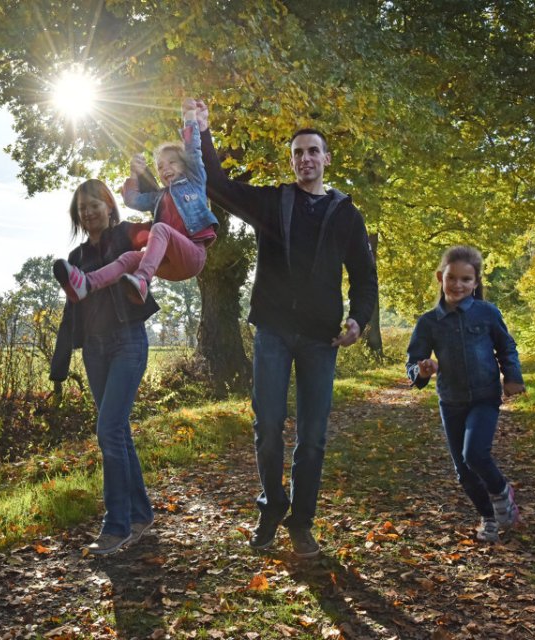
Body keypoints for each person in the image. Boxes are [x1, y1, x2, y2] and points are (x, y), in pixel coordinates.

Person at [195, 99, 379, 558]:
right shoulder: (273, 202)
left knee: (313, 436)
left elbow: (365, 274)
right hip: (273, 331)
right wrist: (202, 131)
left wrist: (359, 318)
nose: (305, 159)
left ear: (326, 159)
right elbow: (217, 185)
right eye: (298, 153)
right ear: (291, 160)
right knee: (268, 425)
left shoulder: (345, 214)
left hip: (321, 337)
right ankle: (272, 506)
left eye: (313, 151)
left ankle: (301, 522)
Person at [50, 179, 158, 555]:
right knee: (118, 432)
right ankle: (141, 513)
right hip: (94, 350)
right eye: (81, 207)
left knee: (109, 429)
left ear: (109, 206)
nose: (88, 211)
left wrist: (146, 182)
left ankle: (117, 526)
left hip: (128, 340)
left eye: (94, 204)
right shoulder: (76, 258)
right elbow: (71, 310)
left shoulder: (127, 235)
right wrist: (60, 362)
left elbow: (159, 230)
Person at [405, 245, 524, 543]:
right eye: (452, 278)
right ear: (440, 277)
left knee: (475, 454)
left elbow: (506, 347)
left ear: (476, 282)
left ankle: (500, 491)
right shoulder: (429, 322)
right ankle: (489, 517)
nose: (458, 285)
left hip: (485, 396)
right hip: (452, 401)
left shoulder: (487, 313)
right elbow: (413, 362)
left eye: (466, 280)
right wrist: (422, 370)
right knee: (463, 471)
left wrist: (512, 377)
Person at [53, 98, 218, 306]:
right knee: (131, 257)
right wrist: (134, 174)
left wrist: (189, 117)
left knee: (160, 229)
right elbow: (132, 200)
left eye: (172, 163)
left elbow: (194, 149)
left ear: (185, 166)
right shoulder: (158, 197)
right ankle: (86, 284)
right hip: (169, 265)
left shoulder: (195, 181)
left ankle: (141, 280)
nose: (165, 169)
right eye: (159, 167)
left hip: (192, 255)